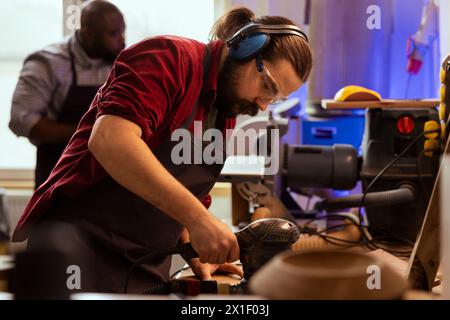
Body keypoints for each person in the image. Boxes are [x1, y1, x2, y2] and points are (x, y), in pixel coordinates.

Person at [11, 7, 313, 293]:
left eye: (274, 99)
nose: (262, 104)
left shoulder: (224, 106)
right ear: (246, 48)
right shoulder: (167, 58)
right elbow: (110, 141)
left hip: (144, 263)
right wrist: (200, 219)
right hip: (81, 249)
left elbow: (177, 183)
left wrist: (192, 244)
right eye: (268, 87)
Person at [9, 0, 125, 188]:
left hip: (107, 183)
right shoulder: (47, 63)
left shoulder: (119, 61)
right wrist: (88, 134)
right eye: (114, 33)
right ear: (88, 34)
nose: (122, 39)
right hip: (59, 181)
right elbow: (21, 121)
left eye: (122, 31)